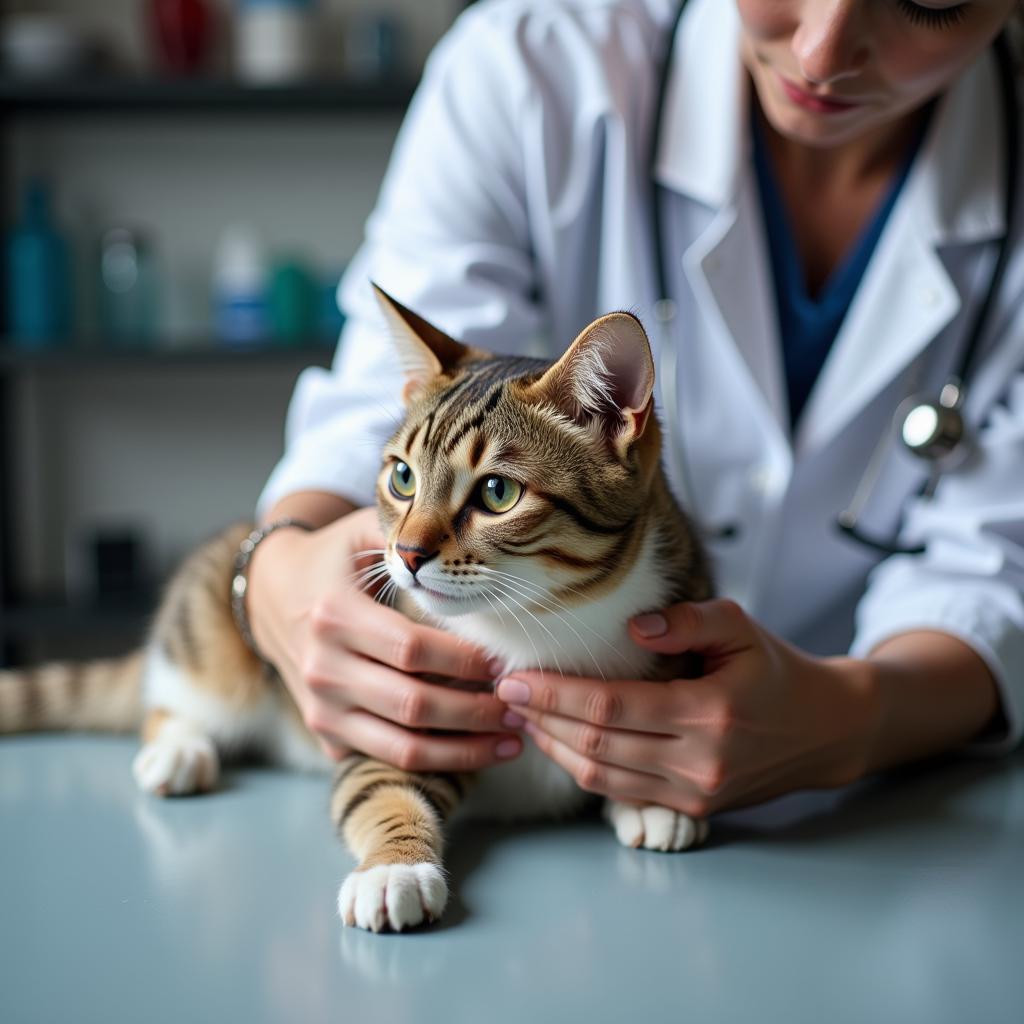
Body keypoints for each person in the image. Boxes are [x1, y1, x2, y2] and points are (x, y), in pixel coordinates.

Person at [246, 0, 1024, 818]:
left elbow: (1003, 567)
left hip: (889, 803)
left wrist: (862, 717)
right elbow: (389, 408)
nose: (822, 51)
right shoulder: (529, 72)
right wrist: (272, 576)